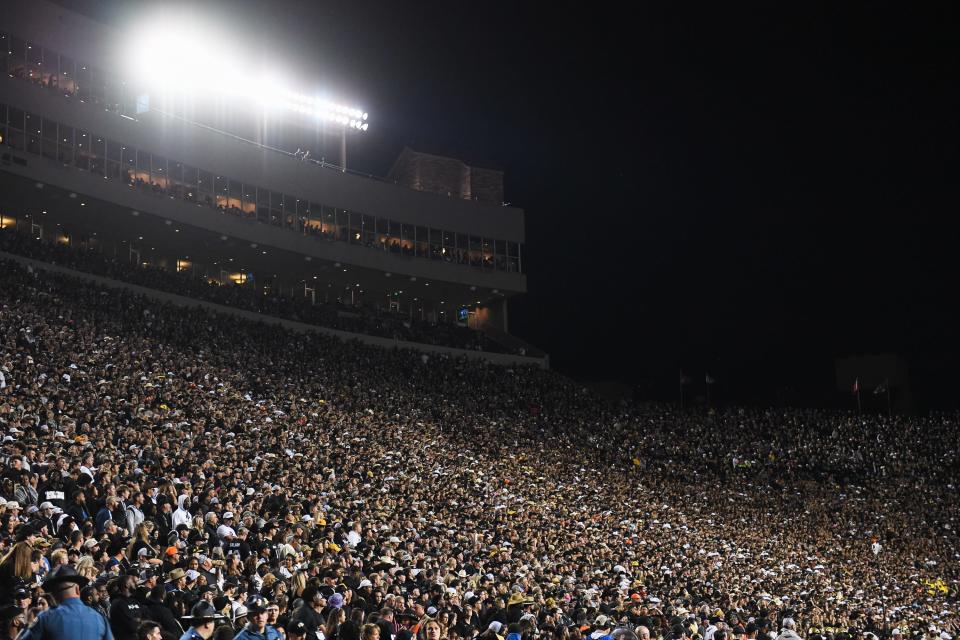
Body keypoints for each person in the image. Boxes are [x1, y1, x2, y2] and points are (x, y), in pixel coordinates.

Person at [16, 564, 111, 639]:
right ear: (78, 590)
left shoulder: (45, 618)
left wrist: (29, 623)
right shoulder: (99, 618)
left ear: (53, 594)